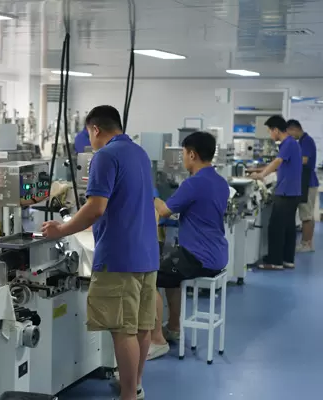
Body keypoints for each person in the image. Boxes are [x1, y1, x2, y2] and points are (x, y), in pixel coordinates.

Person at [41, 105, 158, 400]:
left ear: (95, 129)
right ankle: (135, 384)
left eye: (89, 135)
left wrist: (61, 229)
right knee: (141, 325)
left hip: (119, 258)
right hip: (146, 253)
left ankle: (128, 395)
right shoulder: (140, 154)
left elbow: (96, 207)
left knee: (122, 329)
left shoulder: (105, 156)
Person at [149, 131, 229, 360]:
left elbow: (164, 210)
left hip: (197, 256)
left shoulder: (193, 183)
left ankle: (157, 340)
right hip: (218, 254)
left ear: (192, 154)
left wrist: (150, 193)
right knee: (171, 272)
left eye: (184, 153)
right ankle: (174, 327)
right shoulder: (220, 182)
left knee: (147, 276)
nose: (183, 158)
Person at [251, 115, 302, 270]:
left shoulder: (287, 143)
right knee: (288, 227)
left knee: (276, 227)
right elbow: (281, 165)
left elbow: (278, 161)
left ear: (276, 130)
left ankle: (275, 261)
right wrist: (258, 170)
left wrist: (261, 175)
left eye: (270, 131)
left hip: (285, 191)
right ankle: (287, 259)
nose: (270, 135)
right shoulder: (292, 143)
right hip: (293, 191)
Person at [287, 119, 318, 252]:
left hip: (308, 182)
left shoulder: (306, 141)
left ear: (294, 129)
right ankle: (308, 242)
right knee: (307, 214)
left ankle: (306, 244)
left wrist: (287, 160)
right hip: (306, 182)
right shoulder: (302, 141)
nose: (290, 136)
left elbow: (304, 160)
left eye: (290, 133)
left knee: (306, 215)